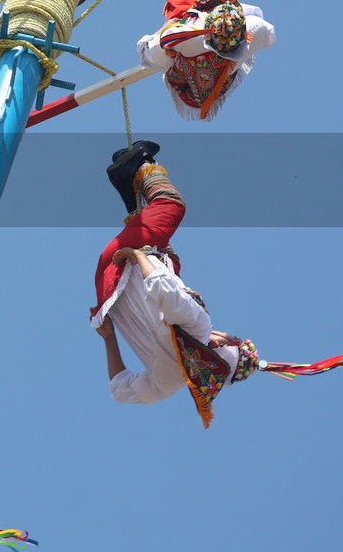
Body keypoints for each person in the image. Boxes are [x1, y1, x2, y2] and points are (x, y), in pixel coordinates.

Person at [91, 140, 259, 427]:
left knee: (171, 206)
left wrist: (134, 254)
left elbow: (163, 290)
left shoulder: (200, 329)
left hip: (125, 262)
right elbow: (120, 388)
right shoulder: (168, 384)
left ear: (223, 343)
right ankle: (129, 182)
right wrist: (108, 336)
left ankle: (140, 165)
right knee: (169, 256)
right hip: (107, 290)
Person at [136, 0, 277, 120]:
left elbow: (170, 38)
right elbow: (264, 30)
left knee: (182, 0)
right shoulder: (253, 28)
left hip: (183, 73)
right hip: (205, 55)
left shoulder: (191, 35)